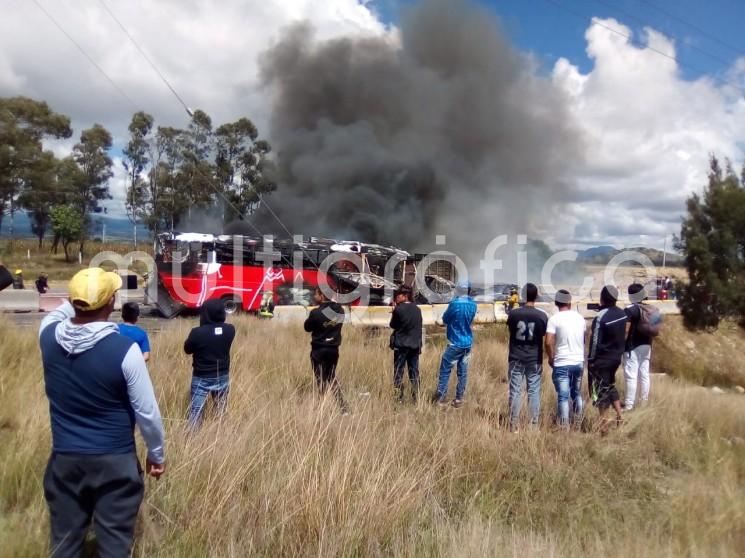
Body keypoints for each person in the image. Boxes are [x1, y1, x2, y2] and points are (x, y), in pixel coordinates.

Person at [39, 268, 165, 557]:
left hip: (64, 460)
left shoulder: (47, 336)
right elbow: (147, 412)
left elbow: (57, 315)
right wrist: (156, 455)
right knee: (115, 546)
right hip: (115, 462)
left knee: (64, 544)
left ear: (74, 300)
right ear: (112, 303)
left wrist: (80, 297)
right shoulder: (125, 350)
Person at [184, 298, 236, 426]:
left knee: (196, 411)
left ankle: (192, 440)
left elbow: (187, 349)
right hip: (222, 375)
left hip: (201, 376)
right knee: (221, 409)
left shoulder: (197, 333)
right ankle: (221, 435)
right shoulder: (230, 330)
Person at [506, 283, 548, 431]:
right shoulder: (542, 315)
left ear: (523, 295)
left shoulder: (514, 314)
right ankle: (533, 425)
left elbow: (511, 329)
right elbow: (544, 335)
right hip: (534, 358)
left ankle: (513, 424)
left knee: (515, 390)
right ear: (536, 296)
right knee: (533, 390)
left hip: (516, 356)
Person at [587, 285, 627, 433]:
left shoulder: (600, 317)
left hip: (602, 359)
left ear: (602, 298)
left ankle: (603, 425)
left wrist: (591, 360)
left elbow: (595, 341)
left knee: (600, 390)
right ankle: (620, 416)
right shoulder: (622, 313)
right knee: (610, 385)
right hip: (616, 358)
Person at [545, 289, 586, 428]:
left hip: (562, 362)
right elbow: (584, 338)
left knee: (563, 396)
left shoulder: (554, 319)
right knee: (576, 393)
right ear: (569, 302)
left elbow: (548, 341)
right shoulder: (580, 318)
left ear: (557, 303)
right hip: (578, 361)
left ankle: (564, 427)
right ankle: (579, 423)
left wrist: (551, 358)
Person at [433, 281, 478, 408]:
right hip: (467, 343)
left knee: (445, 370)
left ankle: (441, 398)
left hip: (455, 343)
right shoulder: (473, 305)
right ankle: (459, 399)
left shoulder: (455, 304)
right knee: (462, 372)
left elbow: (445, 319)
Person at [303, 287, 349, 412]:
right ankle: (343, 406)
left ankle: (320, 407)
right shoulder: (340, 311)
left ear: (322, 296)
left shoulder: (316, 313)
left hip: (319, 349)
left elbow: (307, 327)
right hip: (334, 349)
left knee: (320, 378)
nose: (314, 297)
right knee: (332, 377)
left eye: (316, 295)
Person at [623, 283, 654, 411]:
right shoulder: (650, 309)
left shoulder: (629, 310)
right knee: (644, 375)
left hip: (632, 347)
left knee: (631, 376)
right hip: (647, 345)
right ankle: (644, 403)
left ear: (631, 295)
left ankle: (629, 405)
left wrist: (621, 344)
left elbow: (625, 330)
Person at [389, 285, 423, 402]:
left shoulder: (399, 309)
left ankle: (398, 397)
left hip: (401, 345)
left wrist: (394, 311)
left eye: (398, 295)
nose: (396, 298)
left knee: (398, 372)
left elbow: (393, 325)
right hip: (414, 345)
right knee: (414, 372)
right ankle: (416, 397)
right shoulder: (417, 309)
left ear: (405, 296)